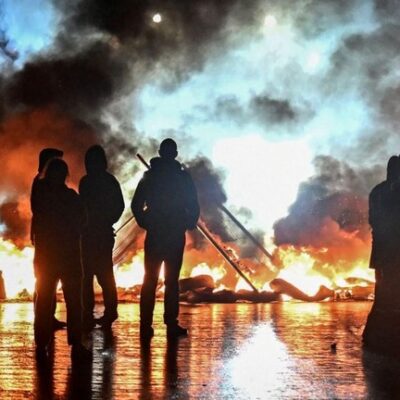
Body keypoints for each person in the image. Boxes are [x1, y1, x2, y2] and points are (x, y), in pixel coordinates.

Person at [131, 138, 200, 339]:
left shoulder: (151, 176)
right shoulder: (181, 178)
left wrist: (146, 222)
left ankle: (147, 325)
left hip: (159, 233)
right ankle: (168, 323)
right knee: (168, 281)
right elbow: (193, 204)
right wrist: (188, 222)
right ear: (173, 154)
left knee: (153, 280)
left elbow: (136, 205)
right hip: (171, 233)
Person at [33, 158, 89, 360]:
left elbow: (38, 222)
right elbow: (83, 222)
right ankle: (76, 342)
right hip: (69, 256)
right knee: (74, 301)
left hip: (46, 257)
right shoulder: (71, 198)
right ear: (66, 176)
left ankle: (41, 342)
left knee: (44, 299)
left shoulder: (41, 199)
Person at [79, 145, 124, 330]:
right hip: (93, 233)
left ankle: (102, 312)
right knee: (94, 275)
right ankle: (94, 312)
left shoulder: (94, 181)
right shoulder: (104, 181)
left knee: (96, 275)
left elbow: (118, 206)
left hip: (96, 234)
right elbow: (118, 206)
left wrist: (104, 221)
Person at [363, 155, 400, 350]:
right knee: (391, 295)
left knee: (382, 294)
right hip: (392, 252)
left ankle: (373, 336)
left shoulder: (376, 191)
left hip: (381, 252)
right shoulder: (392, 191)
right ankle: (384, 339)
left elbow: (373, 221)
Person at [31, 148, 66, 331]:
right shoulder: (41, 183)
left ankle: (46, 318)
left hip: (46, 236)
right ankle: (43, 320)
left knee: (46, 279)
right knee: (45, 279)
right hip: (47, 238)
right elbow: (39, 210)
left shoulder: (41, 182)